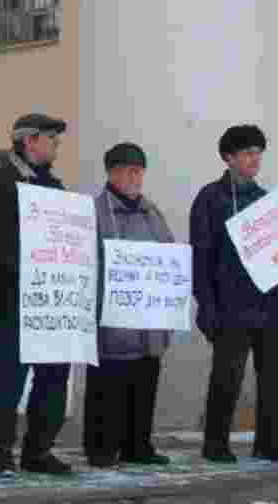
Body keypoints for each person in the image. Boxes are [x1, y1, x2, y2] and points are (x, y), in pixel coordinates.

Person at [191, 124, 278, 464]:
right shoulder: (211, 199)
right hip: (230, 307)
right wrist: (206, 305)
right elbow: (201, 255)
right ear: (229, 157)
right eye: (248, 153)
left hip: (268, 306)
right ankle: (215, 442)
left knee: (274, 377)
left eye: (258, 153)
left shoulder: (267, 200)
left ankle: (269, 442)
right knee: (227, 377)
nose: (255, 159)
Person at [0, 113, 72, 477]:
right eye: (51, 138)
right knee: (11, 379)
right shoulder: (5, 183)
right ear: (29, 141)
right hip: (17, 301)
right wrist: (27, 267)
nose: (56, 144)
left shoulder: (55, 187)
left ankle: (38, 451)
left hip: (52, 301)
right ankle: (0, 454)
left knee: (53, 377)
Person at [83, 143, 176, 468]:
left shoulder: (152, 212)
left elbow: (168, 252)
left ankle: (139, 445)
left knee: (143, 384)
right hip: (113, 320)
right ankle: (101, 448)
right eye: (128, 170)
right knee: (108, 388)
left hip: (149, 320)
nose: (135, 177)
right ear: (112, 173)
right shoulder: (95, 212)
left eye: (139, 170)